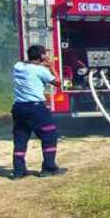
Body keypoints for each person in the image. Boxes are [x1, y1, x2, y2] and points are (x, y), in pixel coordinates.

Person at [10, 45, 66, 179]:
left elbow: (26, 63)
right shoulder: (40, 70)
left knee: (20, 138)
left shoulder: (17, 66)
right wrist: (51, 67)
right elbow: (59, 83)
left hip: (18, 108)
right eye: (45, 54)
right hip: (35, 108)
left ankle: (19, 171)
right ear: (42, 56)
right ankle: (49, 168)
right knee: (49, 135)